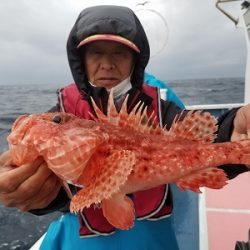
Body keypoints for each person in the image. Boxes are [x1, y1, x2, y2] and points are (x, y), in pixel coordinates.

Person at [0, 5, 250, 250]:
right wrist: (32, 194)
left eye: (119, 53)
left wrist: (234, 129)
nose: (107, 63)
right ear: (81, 60)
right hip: (82, 238)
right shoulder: (64, 114)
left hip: (153, 237)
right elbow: (59, 188)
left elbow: (210, 136)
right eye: (96, 52)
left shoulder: (160, 108)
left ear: (135, 60)